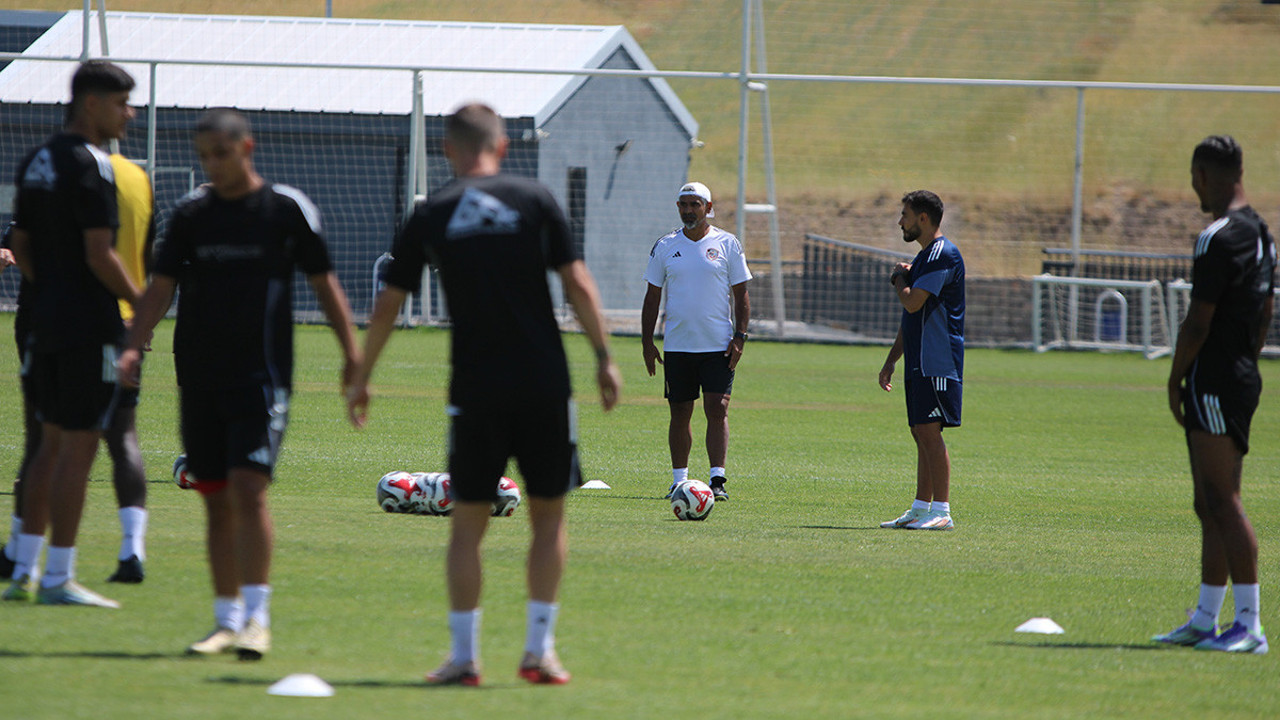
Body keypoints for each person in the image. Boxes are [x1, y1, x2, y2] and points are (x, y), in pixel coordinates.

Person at [346, 102, 621, 687]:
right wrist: (604, 358)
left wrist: (363, 374)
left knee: (467, 526)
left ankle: (464, 658)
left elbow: (390, 302)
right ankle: (539, 654)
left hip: (475, 389)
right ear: (503, 145)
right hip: (545, 384)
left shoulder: (433, 212)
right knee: (548, 519)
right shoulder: (536, 198)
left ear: (447, 148)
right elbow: (576, 282)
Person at [118, 108, 360, 660]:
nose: (212, 165)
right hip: (198, 374)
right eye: (204, 156)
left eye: (221, 154)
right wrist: (134, 341)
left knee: (248, 490)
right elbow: (160, 286)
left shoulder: (285, 210)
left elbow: (325, 284)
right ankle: (225, 620)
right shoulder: (191, 214)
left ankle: (258, 619)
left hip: (261, 376)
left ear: (245, 148)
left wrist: (353, 357)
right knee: (214, 498)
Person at [3, 60, 142, 607]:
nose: (128, 114)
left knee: (46, 445)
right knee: (80, 448)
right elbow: (99, 252)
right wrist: (140, 305)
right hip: (90, 326)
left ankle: (23, 572)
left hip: (42, 320)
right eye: (121, 103)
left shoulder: (35, 160)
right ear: (91, 104)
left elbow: (22, 242)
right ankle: (60, 578)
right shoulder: (95, 164)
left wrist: (51, 290)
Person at [1153, 135, 1273, 654]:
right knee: (1209, 503)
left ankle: (1249, 624)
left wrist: (1176, 378)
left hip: (1215, 379)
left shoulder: (1217, 236)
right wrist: (1246, 358)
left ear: (1207, 175)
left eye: (1194, 177)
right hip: (1240, 372)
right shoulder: (1263, 234)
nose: (1193, 187)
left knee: (1223, 501)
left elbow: (1197, 322)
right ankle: (1206, 618)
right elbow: (1266, 311)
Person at [641, 181, 751, 501]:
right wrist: (647, 342)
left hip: (718, 344)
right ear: (678, 208)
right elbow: (651, 297)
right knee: (680, 412)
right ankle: (680, 481)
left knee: (717, 408)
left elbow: (742, 294)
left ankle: (717, 480)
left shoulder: (728, 244)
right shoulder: (664, 246)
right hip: (678, 346)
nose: (689, 210)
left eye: (695, 204)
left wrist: (740, 337)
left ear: (708, 207)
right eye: (684, 205)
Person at [878, 190, 964, 531]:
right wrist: (891, 361)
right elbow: (911, 317)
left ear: (923, 219)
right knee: (919, 431)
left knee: (930, 432)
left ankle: (941, 510)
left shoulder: (943, 254)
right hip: (918, 359)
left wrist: (899, 278)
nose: (901, 221)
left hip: (937, 359)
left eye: (905, 214)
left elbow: (912, 303)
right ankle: (920, 507)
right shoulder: (926, 257)